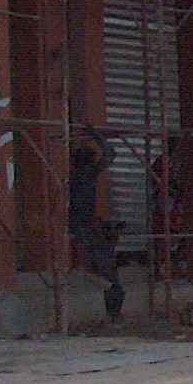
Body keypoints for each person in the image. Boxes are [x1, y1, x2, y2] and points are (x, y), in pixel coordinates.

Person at [66, 127, 125, 322]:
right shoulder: (86, 175)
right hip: (84, 228)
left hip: (83, 226)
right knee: (109, 276)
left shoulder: (75, 177)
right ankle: (112, 315)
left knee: (108, 276)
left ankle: (112, 312)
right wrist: (95, 135)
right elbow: (110, 153)